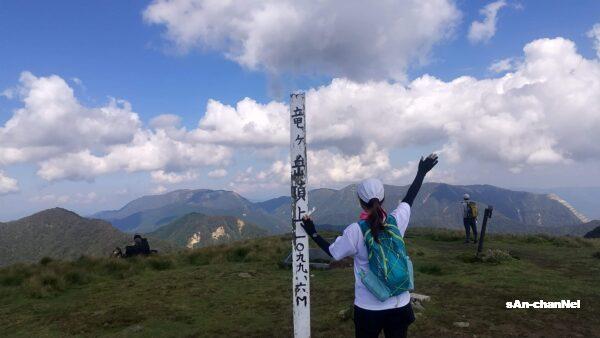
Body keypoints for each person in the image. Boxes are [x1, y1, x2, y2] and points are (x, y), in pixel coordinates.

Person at [301, 153, 438, 338]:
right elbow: (409, 199)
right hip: (400, 303)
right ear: (382, 199)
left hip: (368, 307)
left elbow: (333, 252)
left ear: (360, 202)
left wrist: (313, 232)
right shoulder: (396, 222)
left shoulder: (355, 231)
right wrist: (421, 172)